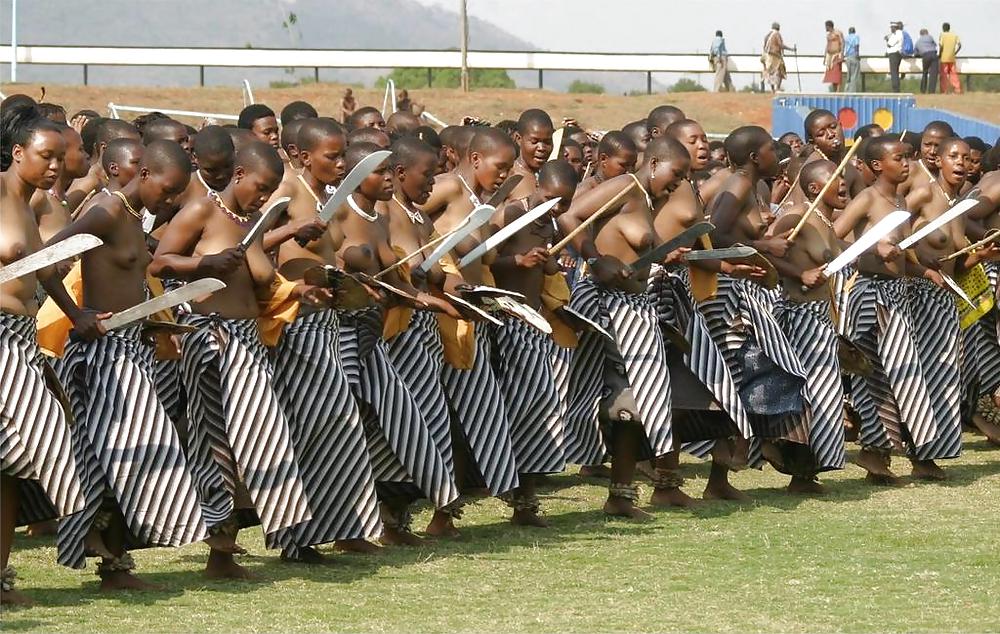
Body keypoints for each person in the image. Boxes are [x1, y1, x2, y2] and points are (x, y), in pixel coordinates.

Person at [44, 141, 228, 588]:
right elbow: (46, 261)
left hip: (133, 346)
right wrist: (77, 315)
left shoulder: (132, 214)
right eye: (166, 192)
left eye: (176, 196)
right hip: (104, 354)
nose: (168, 203)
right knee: (134, 453)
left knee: (123, 458)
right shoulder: (106, 210)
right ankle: (107, 555)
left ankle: (116, 562)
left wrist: (153, 323)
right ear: (143, 173)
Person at [150, 141, 317, 578]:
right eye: (260, 188)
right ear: (239, 174)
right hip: (211, 339)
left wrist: (301, 291)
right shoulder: (201, 211)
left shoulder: (252, 224)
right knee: (219, 443)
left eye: (271, 192)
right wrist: (206, 263)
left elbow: (263, 282)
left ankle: (245, 541)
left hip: (248, 341)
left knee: (261, 438)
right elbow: (159, 262)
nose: (265, 199)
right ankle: (219, 551)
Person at [560, 135, 692, 519]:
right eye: (676, 173)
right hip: (608, 308)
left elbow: (631, 248)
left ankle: (622, 496)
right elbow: (569, 218)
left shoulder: (648, 200)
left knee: (633, 406)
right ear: (653, 163)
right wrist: (595, 259)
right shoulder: (627, 186)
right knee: (614, 402)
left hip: (636, 309)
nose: (678, 183)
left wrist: (663, 254)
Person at [1, 98, 88, 605]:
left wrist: (77, 317)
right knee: (52, 441)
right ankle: (87, 519)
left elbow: (44, 270)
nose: (55, 166)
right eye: (46, 156)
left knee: (9, 469)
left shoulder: (29, 206)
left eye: (61, 157)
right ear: (17, 152)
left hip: (20, 340)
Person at [834, 136, 950, 484]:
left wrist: (926, 270)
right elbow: (834, 239)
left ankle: (881, 454)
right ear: (875, 166)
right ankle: (885, 453)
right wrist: (872, 250)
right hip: (872, 297)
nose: (907, 163)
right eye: (899, 158)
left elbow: (898, 259)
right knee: (887, 376)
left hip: (898, 295)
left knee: (891, 376)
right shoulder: (868, 198)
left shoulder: (899, 199)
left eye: (908, 158)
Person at [490, 161, 579, 525]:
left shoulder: (552, 225)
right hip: (504, 321)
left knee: (537, 409)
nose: (556, 209)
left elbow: (545, 271)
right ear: (537, 187)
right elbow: (481, 258)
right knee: (512, 412)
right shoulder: (510, 213)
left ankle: (525, 501)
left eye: (564, 203)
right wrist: (518, 259)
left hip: (533, 324)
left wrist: (549, 265)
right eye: (550, 199)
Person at [765, 160, 849, 492]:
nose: (843, 185)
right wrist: (799, 274)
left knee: (825, 393)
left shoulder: (827, 221)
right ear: (814, 188)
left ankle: (808, 471)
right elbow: (766, 254)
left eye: (843, 178)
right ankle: (799, 472)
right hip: (799, 315)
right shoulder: (795, 217)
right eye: (835, 180)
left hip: (821, 316)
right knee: (809, 393)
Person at [510, 109, 555, 200]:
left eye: (547, 142)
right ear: (518, 139)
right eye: (534, 142)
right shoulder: (508, 178)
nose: (541, 148)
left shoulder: (552, 178)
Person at [761, 22, 795, 93]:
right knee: (781, 70)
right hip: (775, 55)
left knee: (771, 72)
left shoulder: (767, 35)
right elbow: (780, 45)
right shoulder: (776, 34)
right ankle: (777, 88)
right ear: (778, 28)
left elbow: (764, 46)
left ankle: (773, 89)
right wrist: (791, 49)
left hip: (767, 55)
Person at [939, 23, 963, 94]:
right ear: (949, 28)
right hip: (952, 58)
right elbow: (960, 45)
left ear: (943, 28)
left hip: (944, 58)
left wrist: (940, 54)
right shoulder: (955, 35)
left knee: (944, 75)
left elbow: (941, 46)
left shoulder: (942, 35)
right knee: (954, 74)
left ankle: (944, 90)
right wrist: (955, 53)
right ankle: (957, 89)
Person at [915, 29, 940, 94]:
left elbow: (915, 53)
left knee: (925, 73)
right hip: (933, 55)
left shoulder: (917, 42)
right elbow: (935, 45)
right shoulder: (930, 37)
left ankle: (923, 90)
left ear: (920, 34)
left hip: (925, 56)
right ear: (927, 33)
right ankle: (931, 91)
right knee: (933, 74)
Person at [823, 20, 845, 92]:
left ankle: (838, 91)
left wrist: (842, 54)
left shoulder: (838, 33)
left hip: (836, 55)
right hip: (830, 56)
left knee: (837, 74)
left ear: (828, 26)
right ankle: (834, 91)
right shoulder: (828, 35)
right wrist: (824, 57)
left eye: (826, 26)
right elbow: (827, 45)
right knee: (832, 76)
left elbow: (842, 42)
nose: (825, 28)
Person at [885, 21, 904, 93]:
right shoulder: (898, 34)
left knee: (894, 72)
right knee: (895, 71)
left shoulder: (897, 34)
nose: (891, 29)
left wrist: (887, 39)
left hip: (894, 54)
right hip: (896, 54)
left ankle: (895, 89)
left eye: (892, 28)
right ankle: (896, 88)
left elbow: (890, 44)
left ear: (894, 28)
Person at [844, 27, 862, 92]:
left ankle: (846, 91)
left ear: (849, 32)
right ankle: (852, 92)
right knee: (854, 75)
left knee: (849, 75)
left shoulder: (846, 38)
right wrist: (857, 54)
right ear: (854, 31)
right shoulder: (856, 37)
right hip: (854, 56)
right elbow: (856, 45)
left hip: (848, 58)